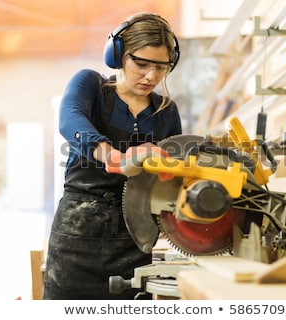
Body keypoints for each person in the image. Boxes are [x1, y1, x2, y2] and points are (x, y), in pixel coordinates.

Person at [43, 12, 182, 300]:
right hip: (76, 238)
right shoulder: (91, 86)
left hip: (133, 241)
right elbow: (70, 119)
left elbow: (172, 179)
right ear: (118, 55)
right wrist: (111, 156)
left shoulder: (166, 111)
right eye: (141, 64)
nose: (151, 76)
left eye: (161, 67)